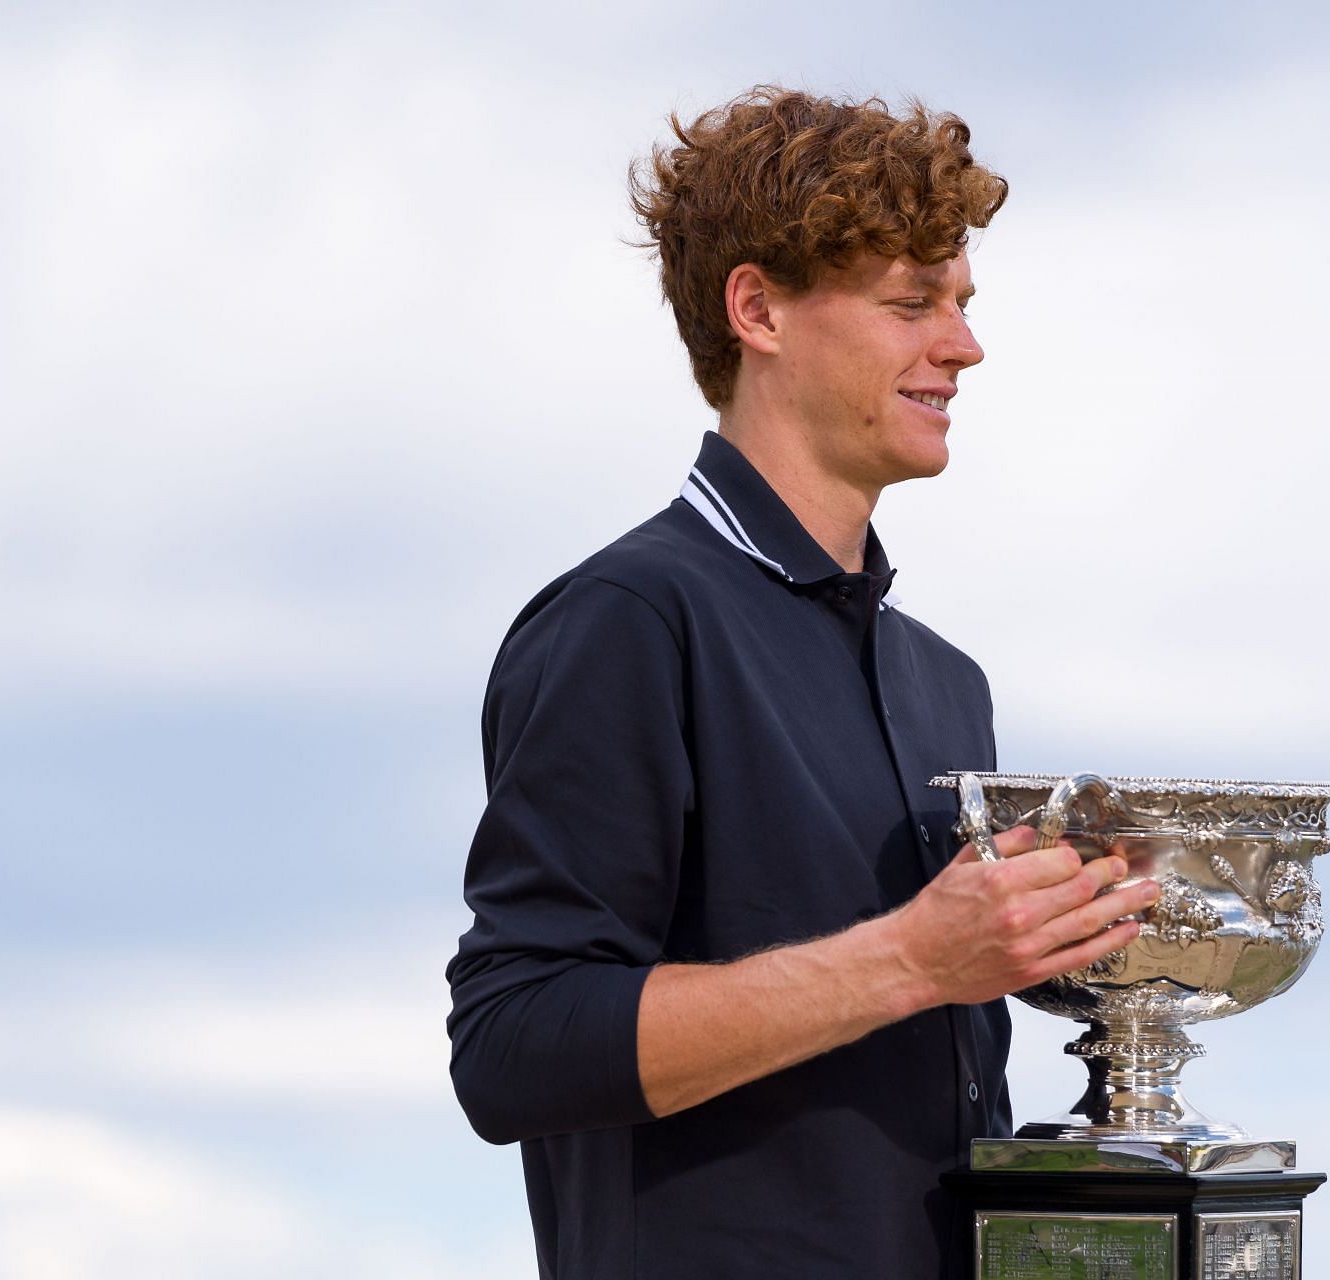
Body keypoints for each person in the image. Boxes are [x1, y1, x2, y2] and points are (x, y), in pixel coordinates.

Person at [445, 87, 1160, 1280]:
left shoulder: (946, 680)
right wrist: (915, 957)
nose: (963, 344)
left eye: (964, 303)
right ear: (758, 307)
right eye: (911, 302)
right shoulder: (626, 622)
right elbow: (513, 1047)